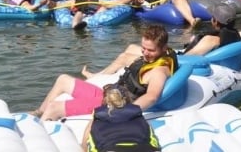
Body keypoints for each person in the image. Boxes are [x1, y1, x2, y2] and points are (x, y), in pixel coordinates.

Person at [33, 24, 175, 121]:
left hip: (113, 105)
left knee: (54, 108)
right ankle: (38, 112)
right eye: (144, 48)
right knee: (63, 79)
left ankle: (39, 135)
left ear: (163, 48)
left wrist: (126, 113)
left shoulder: (158, 71)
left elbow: (152, 97)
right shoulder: (154, 56)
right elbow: (134, 49)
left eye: (151, 50)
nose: (145, 53)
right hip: (107, 94)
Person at [80, 85, 161, 152]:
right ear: (127, 99)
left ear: (105, 100)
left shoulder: (98, 117)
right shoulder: (138, 114)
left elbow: (85, 143)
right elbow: (153, 141)